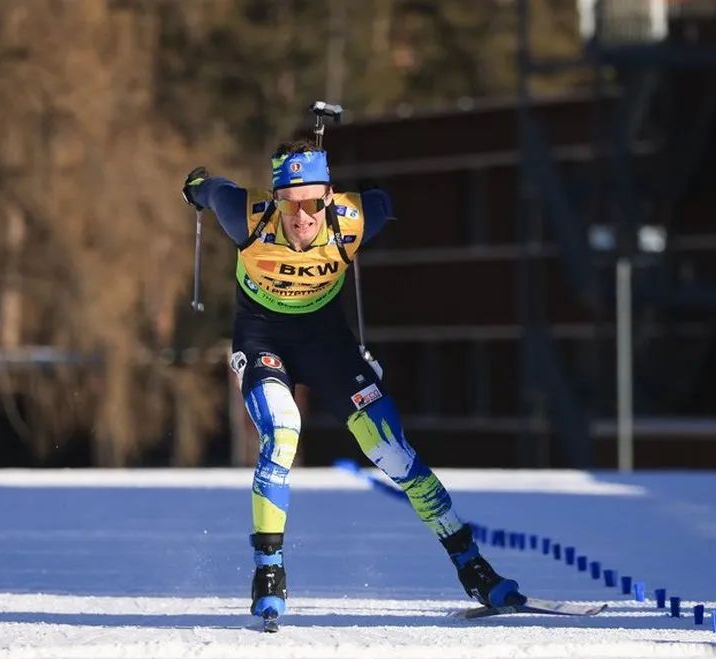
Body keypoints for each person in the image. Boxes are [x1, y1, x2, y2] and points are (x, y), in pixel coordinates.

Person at [182, 140, 520, 621]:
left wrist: (376, 194)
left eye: (314, 203)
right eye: (290, 203)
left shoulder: (352, 220)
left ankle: (474, 568)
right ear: (274, 200)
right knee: (282, 435)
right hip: (263, 341)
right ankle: (269, 572)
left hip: (327, 344)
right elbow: (213, 189)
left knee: (394, 452)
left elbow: (383, 201)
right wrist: (195, 187)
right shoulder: (245, 216)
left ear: (329, 198)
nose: (302, 217)